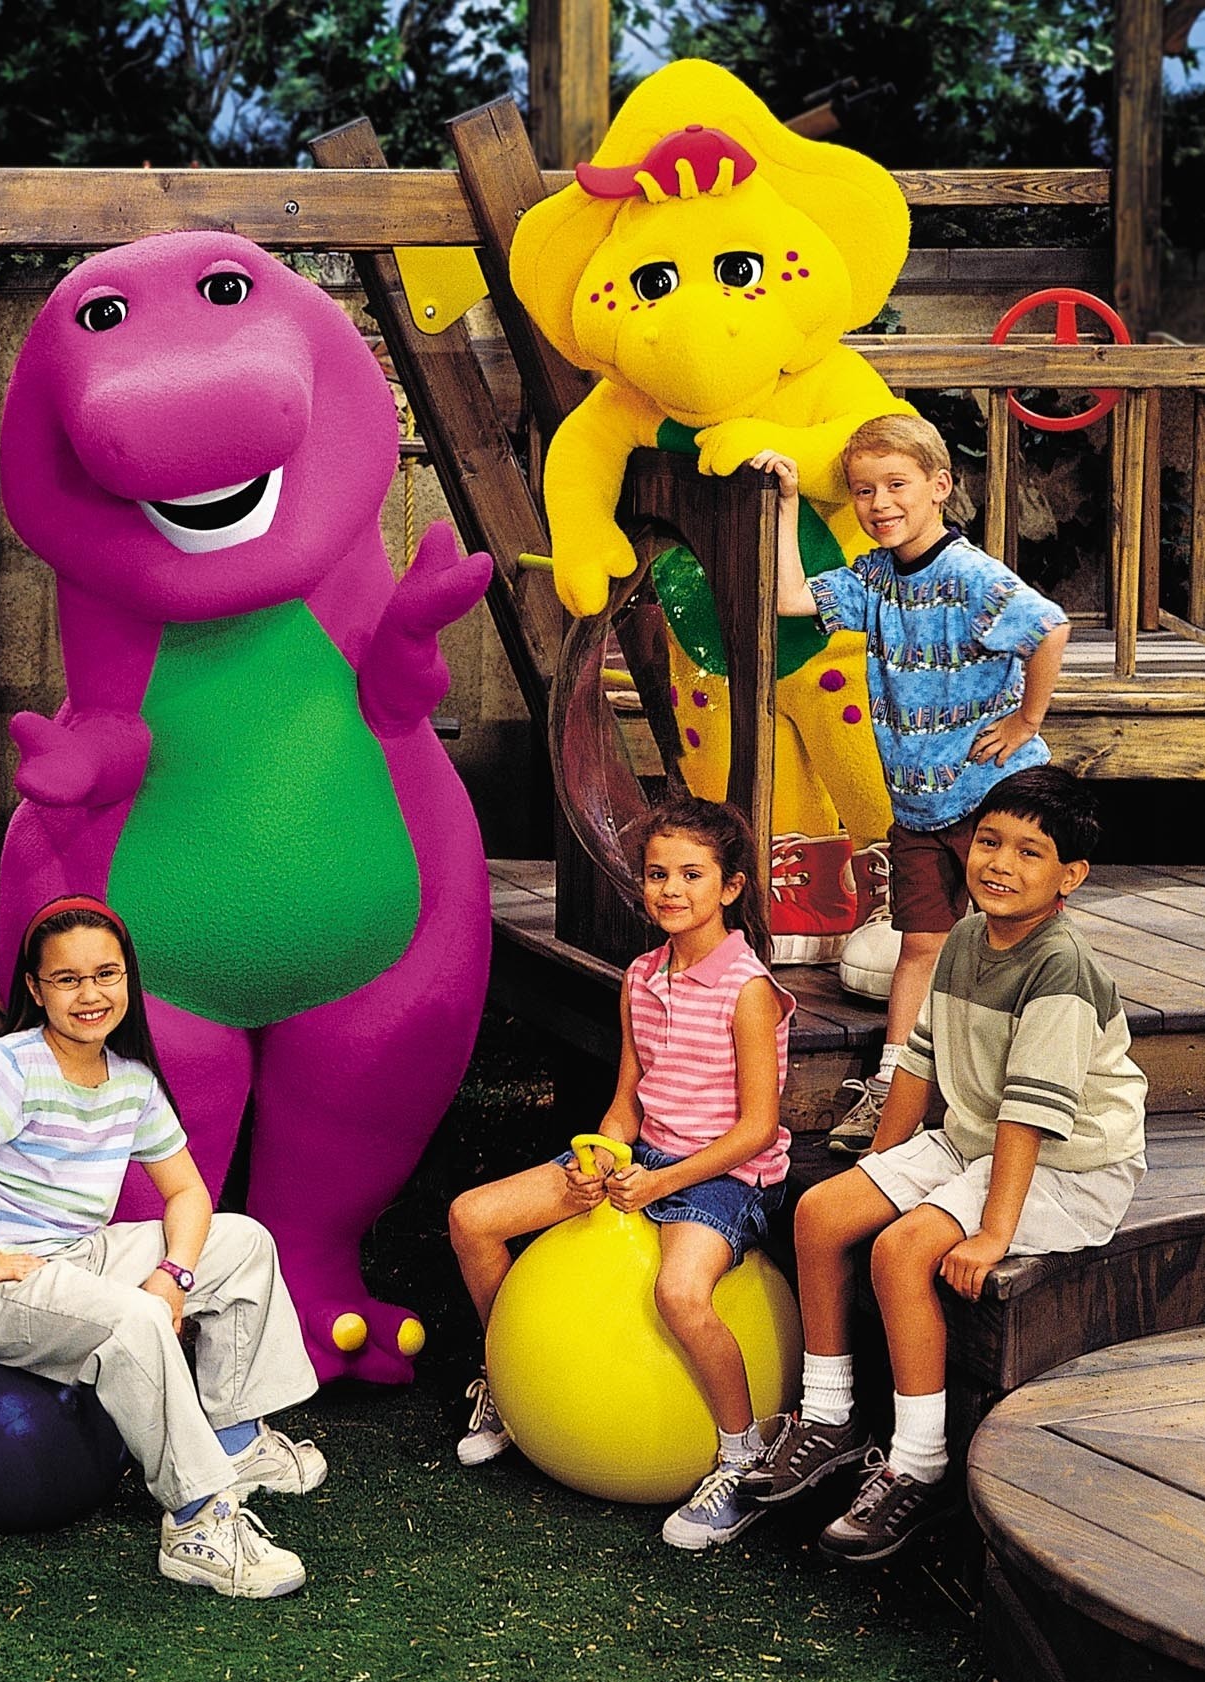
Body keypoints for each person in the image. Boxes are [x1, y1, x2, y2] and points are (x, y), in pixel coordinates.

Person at [0, 897, 327, 1599]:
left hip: (78, 1255)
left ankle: (235, 1444)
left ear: (127, 980)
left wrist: (174, 1275)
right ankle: (199, 1522)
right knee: (134, 1321)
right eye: (68, 978)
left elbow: (190, 1194)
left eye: (106, 974)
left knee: (241, 1243)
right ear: (34, 988)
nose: (90, 994)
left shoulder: (130, 1080)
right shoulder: (8, 1066)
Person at [748, 768, 1146, 1563]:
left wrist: (993, 1232)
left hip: (1070, 1165)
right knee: (823, 1212)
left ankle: (920, 1465)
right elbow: (919, 1065)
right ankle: (829, 1418)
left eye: (1030, 852)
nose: (999, 862)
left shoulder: (1059, 968)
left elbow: (1033, 1118)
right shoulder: (966, 937)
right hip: (976, 1137)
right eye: (989, 841)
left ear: (1070, 877)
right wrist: (884, 1169)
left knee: (902, 1251)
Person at [447, 794, 794, 1551]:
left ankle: (743, 1457)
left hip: (724, 1176)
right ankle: (512, 1381)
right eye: (658, 873)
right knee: (472, 1217)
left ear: (730, 887)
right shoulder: (642, 975)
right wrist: (603, 1154)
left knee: (678, 1291)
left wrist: (663, 1184)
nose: (671, 889)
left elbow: (757, 1128)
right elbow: (625, 1104)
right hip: (645, 1160)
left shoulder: (750, 992)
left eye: (692, 875)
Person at [764, 419, 1070, 1154]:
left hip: (996, 797)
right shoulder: (874, 576)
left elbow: (1049, 626)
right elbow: (791, 600)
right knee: (921, 946)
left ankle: (1028, 1088)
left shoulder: (968, 574)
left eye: (896, 484)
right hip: (919, 805)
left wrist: (1027, 720)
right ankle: (891, 1088)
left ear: (939, 485)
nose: (879, 502)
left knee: (1020, 940)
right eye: (865, 489)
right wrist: (785, 505)